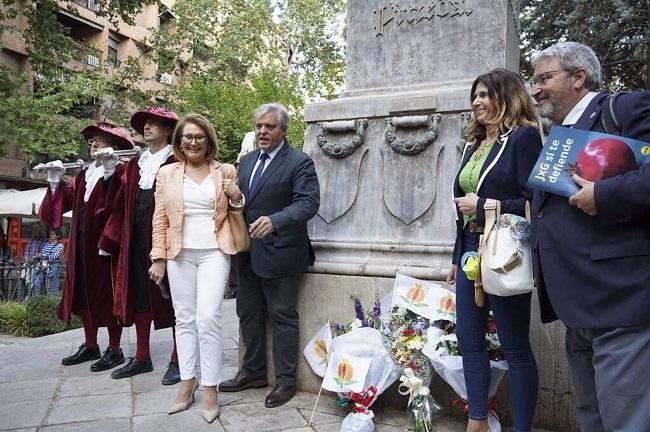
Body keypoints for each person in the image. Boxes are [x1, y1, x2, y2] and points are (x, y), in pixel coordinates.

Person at [530, 41, 650, 431]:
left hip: (619, 302)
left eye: (544, 78)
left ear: (578, 77)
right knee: (592, 418)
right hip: (576, 306)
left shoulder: (627, 108)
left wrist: (604, 194)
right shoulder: (559, 134)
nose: (536, 90)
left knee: (625, 422)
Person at [446, 69, 541, 432]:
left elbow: (534, 201)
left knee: (514, 345)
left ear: (507, 96)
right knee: (469, 340)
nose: (477, 102)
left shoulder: (523, 139)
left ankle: (523, 428)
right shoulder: (473, 144)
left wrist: (486, 204)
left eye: (485, 94)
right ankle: (478, 422)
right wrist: (456, 259)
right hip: (471, 249)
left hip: (504, 252)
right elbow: (461, 211)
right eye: (475, 96)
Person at [218, 103, 320, 408]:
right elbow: (246, 202)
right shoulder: (247, 161)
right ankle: (253, 372)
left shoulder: (300, 162)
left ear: (283, 130)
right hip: (247, 253)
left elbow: (308, 204)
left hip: (282, 253)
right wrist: (238, 199)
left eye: (270, 127)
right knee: (247, 313)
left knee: (282, 316)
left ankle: (286, 381)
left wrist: (276, 220)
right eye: (259, 126)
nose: (263, 131)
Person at [149, 113, 243, 423]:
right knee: (184, 318)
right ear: (178, 141)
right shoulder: (167, 174)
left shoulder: (225, 171)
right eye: (187, 136)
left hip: (216, 250)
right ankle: (187, 382)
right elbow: (160, 218)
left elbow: (237, 208)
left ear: (208, 141)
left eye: (199, 137)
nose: (192, 141)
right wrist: (158, 258)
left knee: (208, 318)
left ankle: (211, 387)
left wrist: (238, 197)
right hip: (179, 254)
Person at [37, 122, 132, 372]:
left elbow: (121, 207)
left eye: (100, 140)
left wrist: (110, 239)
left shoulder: (122, 171)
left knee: (108, 294)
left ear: (115, 145)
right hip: (80, 242)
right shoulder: (84, 174)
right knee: (83, 293)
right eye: (92, 140)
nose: (94, 144)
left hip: (105, 243)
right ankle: (91, 345)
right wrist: (55, 183)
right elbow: (61, 207)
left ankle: (115, 349)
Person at [102, 107, 181, 385]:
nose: (147, 128)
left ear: (167, 130)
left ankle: (178, 358)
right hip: (135, 238)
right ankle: (142, 356)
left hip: (168, 238)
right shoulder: (135, 165)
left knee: (173, 298)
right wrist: (111, 173)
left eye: (154, 124)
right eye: (145, 124)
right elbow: (117, 204)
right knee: (138, 294)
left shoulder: (176, 159)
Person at [18, 224, 46, 300]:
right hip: (28, 263)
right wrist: (26, 259)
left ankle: (33, 299)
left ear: (40, 231)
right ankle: (22, 298)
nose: (34, 231)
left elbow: (44, 253)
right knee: (21, 277)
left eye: (36, 230)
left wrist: (36, 256)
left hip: (37, 263)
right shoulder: (31, 240)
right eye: (34, 230)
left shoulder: (44, 240)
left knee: (34, 281)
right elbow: (26, 252)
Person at [39, 229, 65, 296]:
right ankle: (43, 295)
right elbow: (42, 252)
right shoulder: (47, 244)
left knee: (53, 281)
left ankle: (52, 297)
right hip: (44, 264)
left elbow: (56, 255)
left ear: (57, 236)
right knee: (42, 279)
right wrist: (45, 255)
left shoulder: (60, 245)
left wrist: (45, 255)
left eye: (53, 234)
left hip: (54, 265)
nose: (51, 236)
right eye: (51, 234)